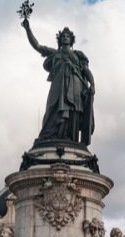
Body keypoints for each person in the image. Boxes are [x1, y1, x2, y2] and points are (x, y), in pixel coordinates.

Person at [21, 16, 95, 146]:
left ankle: (71, 139)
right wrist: (28, 29)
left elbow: (86, 70)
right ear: (60, 40)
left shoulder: (78, 55)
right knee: (53, 108)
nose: (65, 38)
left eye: (67, 36)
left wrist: (93, 83)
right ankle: (50, 135)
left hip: (75, 86)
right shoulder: (54, 53)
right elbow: (37, 46)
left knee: (73, 111)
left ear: (71, 40)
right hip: (58, 85)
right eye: (63, 36)